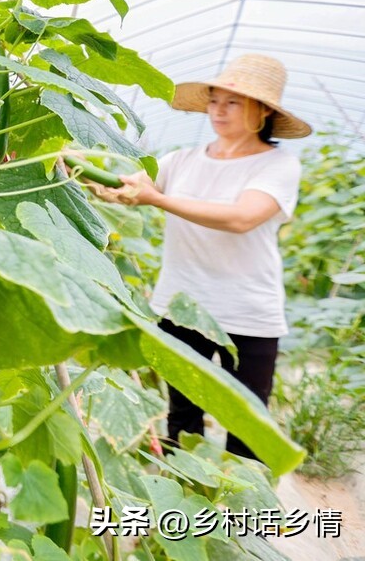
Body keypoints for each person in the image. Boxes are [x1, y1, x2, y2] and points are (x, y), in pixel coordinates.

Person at [89, 54, 310, 461]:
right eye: (214, 101)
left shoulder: (278, 165)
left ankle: (243, 502)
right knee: (182, 419)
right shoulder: (180, 160)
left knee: (248, 427)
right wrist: (82, 171)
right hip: (180, 306)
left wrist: (157, 199)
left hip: (247, 315)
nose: (218, 111)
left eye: (233, 103)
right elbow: (130, 187)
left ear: (263, 111)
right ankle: (187, 498)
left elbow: (242, 217)